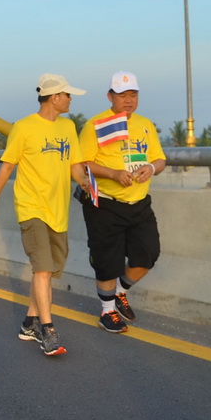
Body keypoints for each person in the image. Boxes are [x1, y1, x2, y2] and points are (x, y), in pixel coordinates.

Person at [0, 73, 92, 357]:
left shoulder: (68, 127)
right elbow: (6, 168)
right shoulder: (24, 128)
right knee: (43, 268)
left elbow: (75, 165)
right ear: (54, 97)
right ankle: (48, 330)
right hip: (32, 207)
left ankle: (30, 322)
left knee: (49, 270)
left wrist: (86, 184)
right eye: (68, 95)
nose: (70, 99)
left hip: (59, 210)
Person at [78, 71, 167, 333]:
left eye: (133, 94)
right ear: (110, 96)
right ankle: (106, 312)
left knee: (148, 254)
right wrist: (114, 174)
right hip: (105, 203)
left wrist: (151, 167)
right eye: (122, 95)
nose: (128, 100)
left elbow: (160, 159)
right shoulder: (96, 124)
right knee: (108, 261)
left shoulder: (145, 125)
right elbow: (84, 163)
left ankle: (120, 292)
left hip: (138, 203)